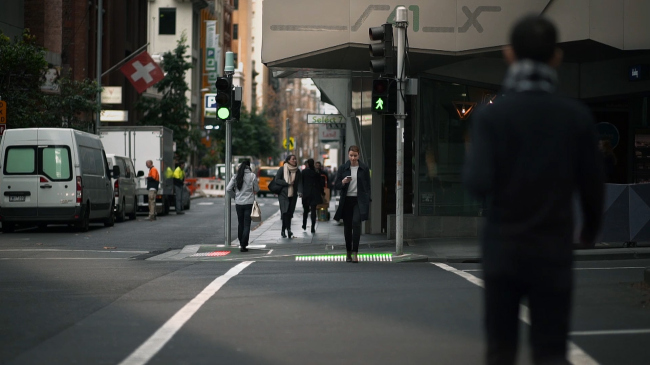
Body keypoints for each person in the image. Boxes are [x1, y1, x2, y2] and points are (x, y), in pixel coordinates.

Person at [462, 15, 605, 365]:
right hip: (552, 249)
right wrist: (588, 230)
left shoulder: (490, 117)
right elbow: (593, 184)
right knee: (551, 350)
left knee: (501, 350)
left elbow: (477, 182)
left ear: (508, 54)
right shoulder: (575, 116)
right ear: (557, 57)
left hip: (503, 248)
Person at [334, 146, 371, 263]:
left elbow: (367, 186)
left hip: (358, 201)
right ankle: (348, 252)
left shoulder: (364, 168)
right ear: (348, 155)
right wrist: (343, 182)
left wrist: (367, 198)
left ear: (359, 155)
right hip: (346, 200)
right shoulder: (343, 168)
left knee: (356, 223)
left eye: (355, 155)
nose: (353, 158)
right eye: (351, 155)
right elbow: (336, 185)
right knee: (347, 227)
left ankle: (356, 253)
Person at [226, 160, 259, 252]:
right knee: (247, 224)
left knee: (240, 223)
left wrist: (234, 197)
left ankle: (241, 242)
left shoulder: (236, 176)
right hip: (249, 202)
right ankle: (244, 244)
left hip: (239, 203)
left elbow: (228, 189)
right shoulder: (252, 176)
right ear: (249, 167)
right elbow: (256, 188)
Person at [276, 154, 302, 238]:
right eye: (293, 159)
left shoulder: (297, 171)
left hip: (293, 195)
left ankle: (286, 229)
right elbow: (277, 180)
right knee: (285, 212)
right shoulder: (282, 169)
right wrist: (287, 183)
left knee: (290, 213)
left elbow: (299, 182)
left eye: (295, 159)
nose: (295, 161)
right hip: (283, 194)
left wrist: (300, 191)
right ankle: (287, 230)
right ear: (288, 161)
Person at [301, 158, 323, 233]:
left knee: (306, 210)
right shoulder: (316, 172)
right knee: (313, 211)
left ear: (307, 164)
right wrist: (322, 192)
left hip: (306, 193)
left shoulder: (304, 172)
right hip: (314, 193)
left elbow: (301, 183)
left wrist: (301, 192)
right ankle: (312, 227)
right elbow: (320, 184)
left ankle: (304, 224)